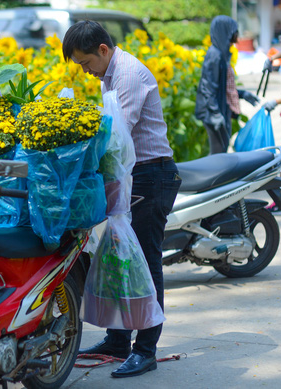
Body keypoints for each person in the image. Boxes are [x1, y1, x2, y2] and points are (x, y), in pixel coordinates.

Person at [62, 21, 181, 378]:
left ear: (103, 50)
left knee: (144, 261)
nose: (86, 72)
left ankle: (145, 350)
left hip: (151, 175)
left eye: (86, 64)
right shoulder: (110, 74)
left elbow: (116, 136)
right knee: (119, 257)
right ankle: (118, 340)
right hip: (132, 175)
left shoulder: (127, 74)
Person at [195, 15, 259, 155]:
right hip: (213, 112)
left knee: (222, 150)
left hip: (221, 108)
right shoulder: (215, 55)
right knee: (218, 153)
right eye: (234, 33)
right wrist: (215, 114)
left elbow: (224, 87)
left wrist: (242, 94)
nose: (237, 38)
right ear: (225, 32)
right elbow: (208, 88)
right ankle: (214, 177)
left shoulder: (222, 54)